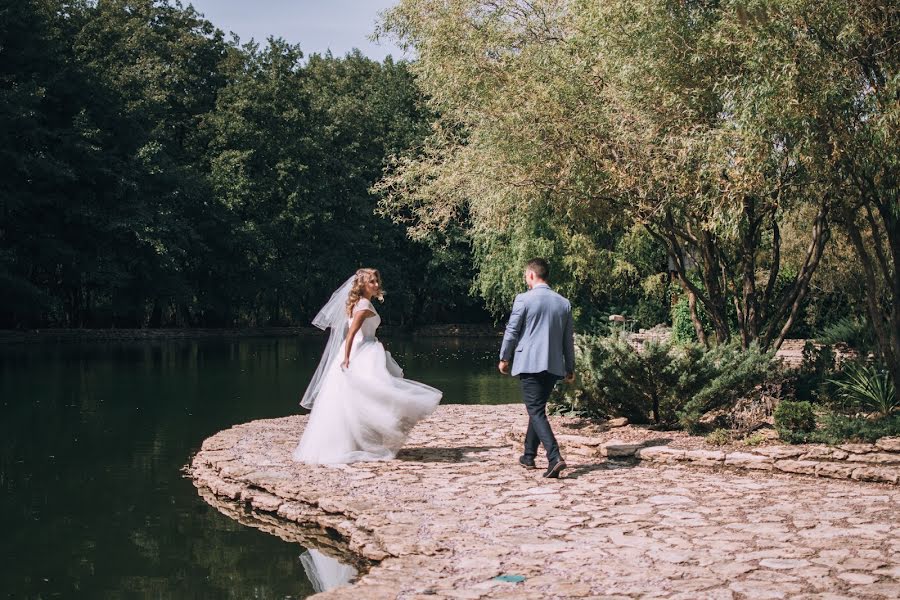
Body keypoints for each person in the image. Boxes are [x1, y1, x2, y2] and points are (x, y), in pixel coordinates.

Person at [293, 268, 442, 464]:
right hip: (364, 351)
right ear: (362, 284)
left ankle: (356, 442)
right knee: (376, 394)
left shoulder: (359, 303)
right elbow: (352, 333)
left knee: (357, 398)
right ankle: (364, 440)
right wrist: (347, 359)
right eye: (372, 282)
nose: (376, 285)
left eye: (377, 281)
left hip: (364, 349)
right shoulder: (363, 305)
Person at [498, 258, 575, 478]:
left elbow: (512, 331)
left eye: (525, 275)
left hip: (530, 363)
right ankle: (528, 455)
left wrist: (504, 357)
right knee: (537, 408)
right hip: (553, 365)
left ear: (532, 275)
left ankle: (554, 457)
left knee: (535, 410)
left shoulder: (524, 299)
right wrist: (570, 367)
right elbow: (567, 340)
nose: (525, 279)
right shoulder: (563, 303)